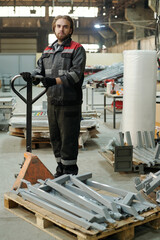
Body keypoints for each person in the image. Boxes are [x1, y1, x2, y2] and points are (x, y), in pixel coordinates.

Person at [20, 15, 86, 177]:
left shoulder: (77, 49)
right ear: (54, 28)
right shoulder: (48, 50)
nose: (61, 29)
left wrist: (53, 81)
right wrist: (32, 77)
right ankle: (60, 168)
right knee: (55, 138)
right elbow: (39, 70)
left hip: (69, 102)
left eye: (65, 26)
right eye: (58, 26)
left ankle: (70, 172)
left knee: (68, 140)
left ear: (71, 30)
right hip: (52, 101)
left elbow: (76, 75)